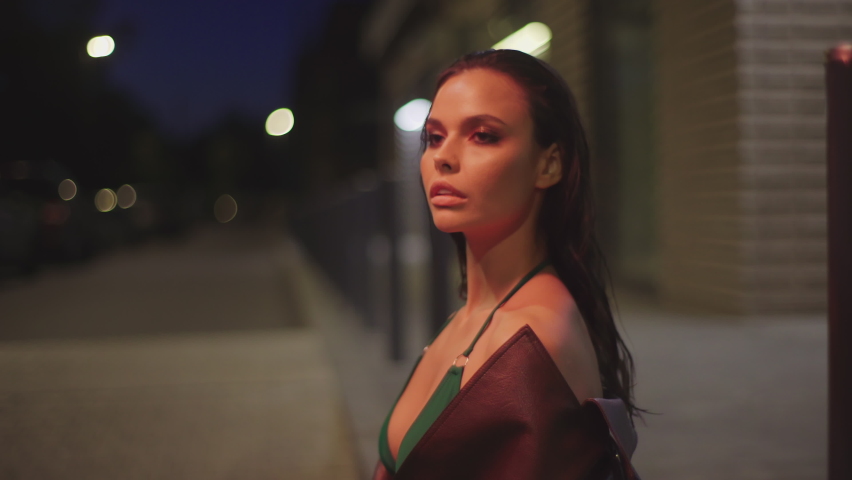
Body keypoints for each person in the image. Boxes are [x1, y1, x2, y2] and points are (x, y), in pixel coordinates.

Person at [374, 49, 641, 480]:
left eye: (482, 135)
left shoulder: (529, 338)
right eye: (435, 137)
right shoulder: (474, 314)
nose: (443, 157)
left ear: (548, 164)